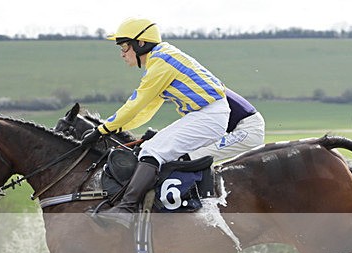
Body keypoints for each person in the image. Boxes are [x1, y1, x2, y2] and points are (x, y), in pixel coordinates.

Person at [81, 17, 251, 228]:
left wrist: (101, 129)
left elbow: (135, 103)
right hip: (207, 114)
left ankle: (126, 210)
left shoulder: (161, 64)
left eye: (125, 46)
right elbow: (146, 111)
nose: (122, 53)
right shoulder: (161, 59)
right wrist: (114, 128)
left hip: (209, 115)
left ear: (140, 43)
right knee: (151, 149)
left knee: (152, 151)